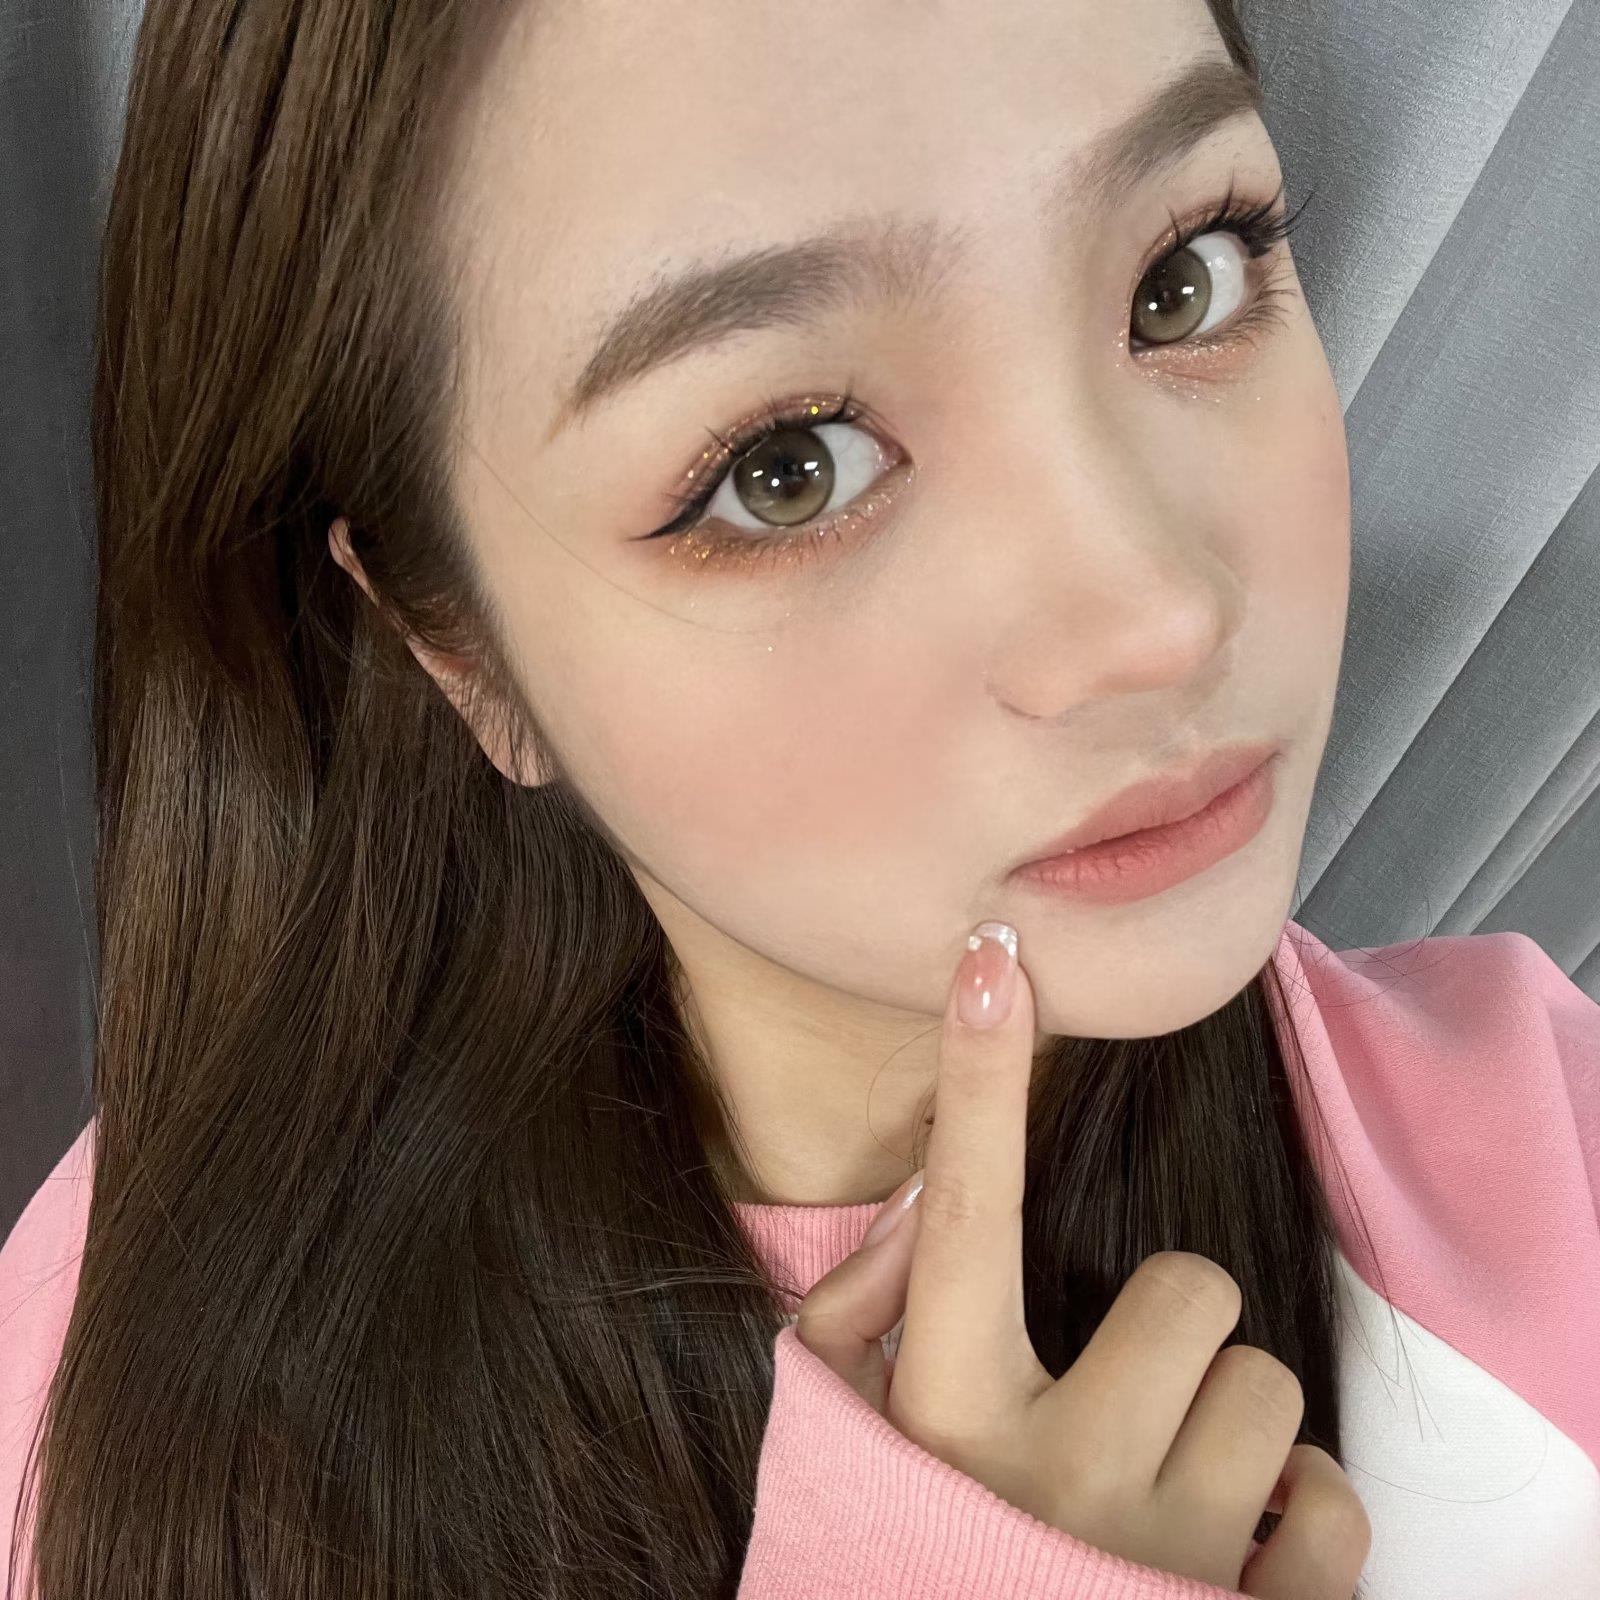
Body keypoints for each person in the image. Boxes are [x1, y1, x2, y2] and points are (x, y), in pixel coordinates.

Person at [2, 0, 1597, 1596]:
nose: (1162, 616)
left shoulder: (1550, 1151)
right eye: (790, 466)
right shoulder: (115, 1388)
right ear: (453, 645)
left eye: (1185, 277)